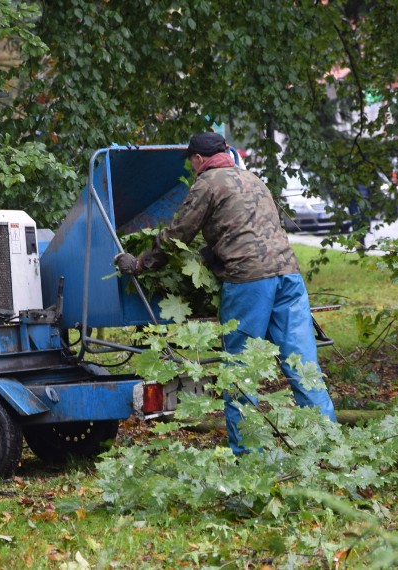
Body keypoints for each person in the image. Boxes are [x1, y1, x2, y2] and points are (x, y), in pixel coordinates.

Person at [114, 131, 337, 455]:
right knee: (304, 367)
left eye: (191, 161)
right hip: (288, 277)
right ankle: (330, 449)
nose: (191, 167)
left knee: (241, 372)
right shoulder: (252, 180)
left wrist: (141, 263)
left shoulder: (207, 183)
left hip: (249, 283)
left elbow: (179, 233)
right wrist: (211, 254)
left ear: (199, 159)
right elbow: (246, 230)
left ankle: (249, 461)